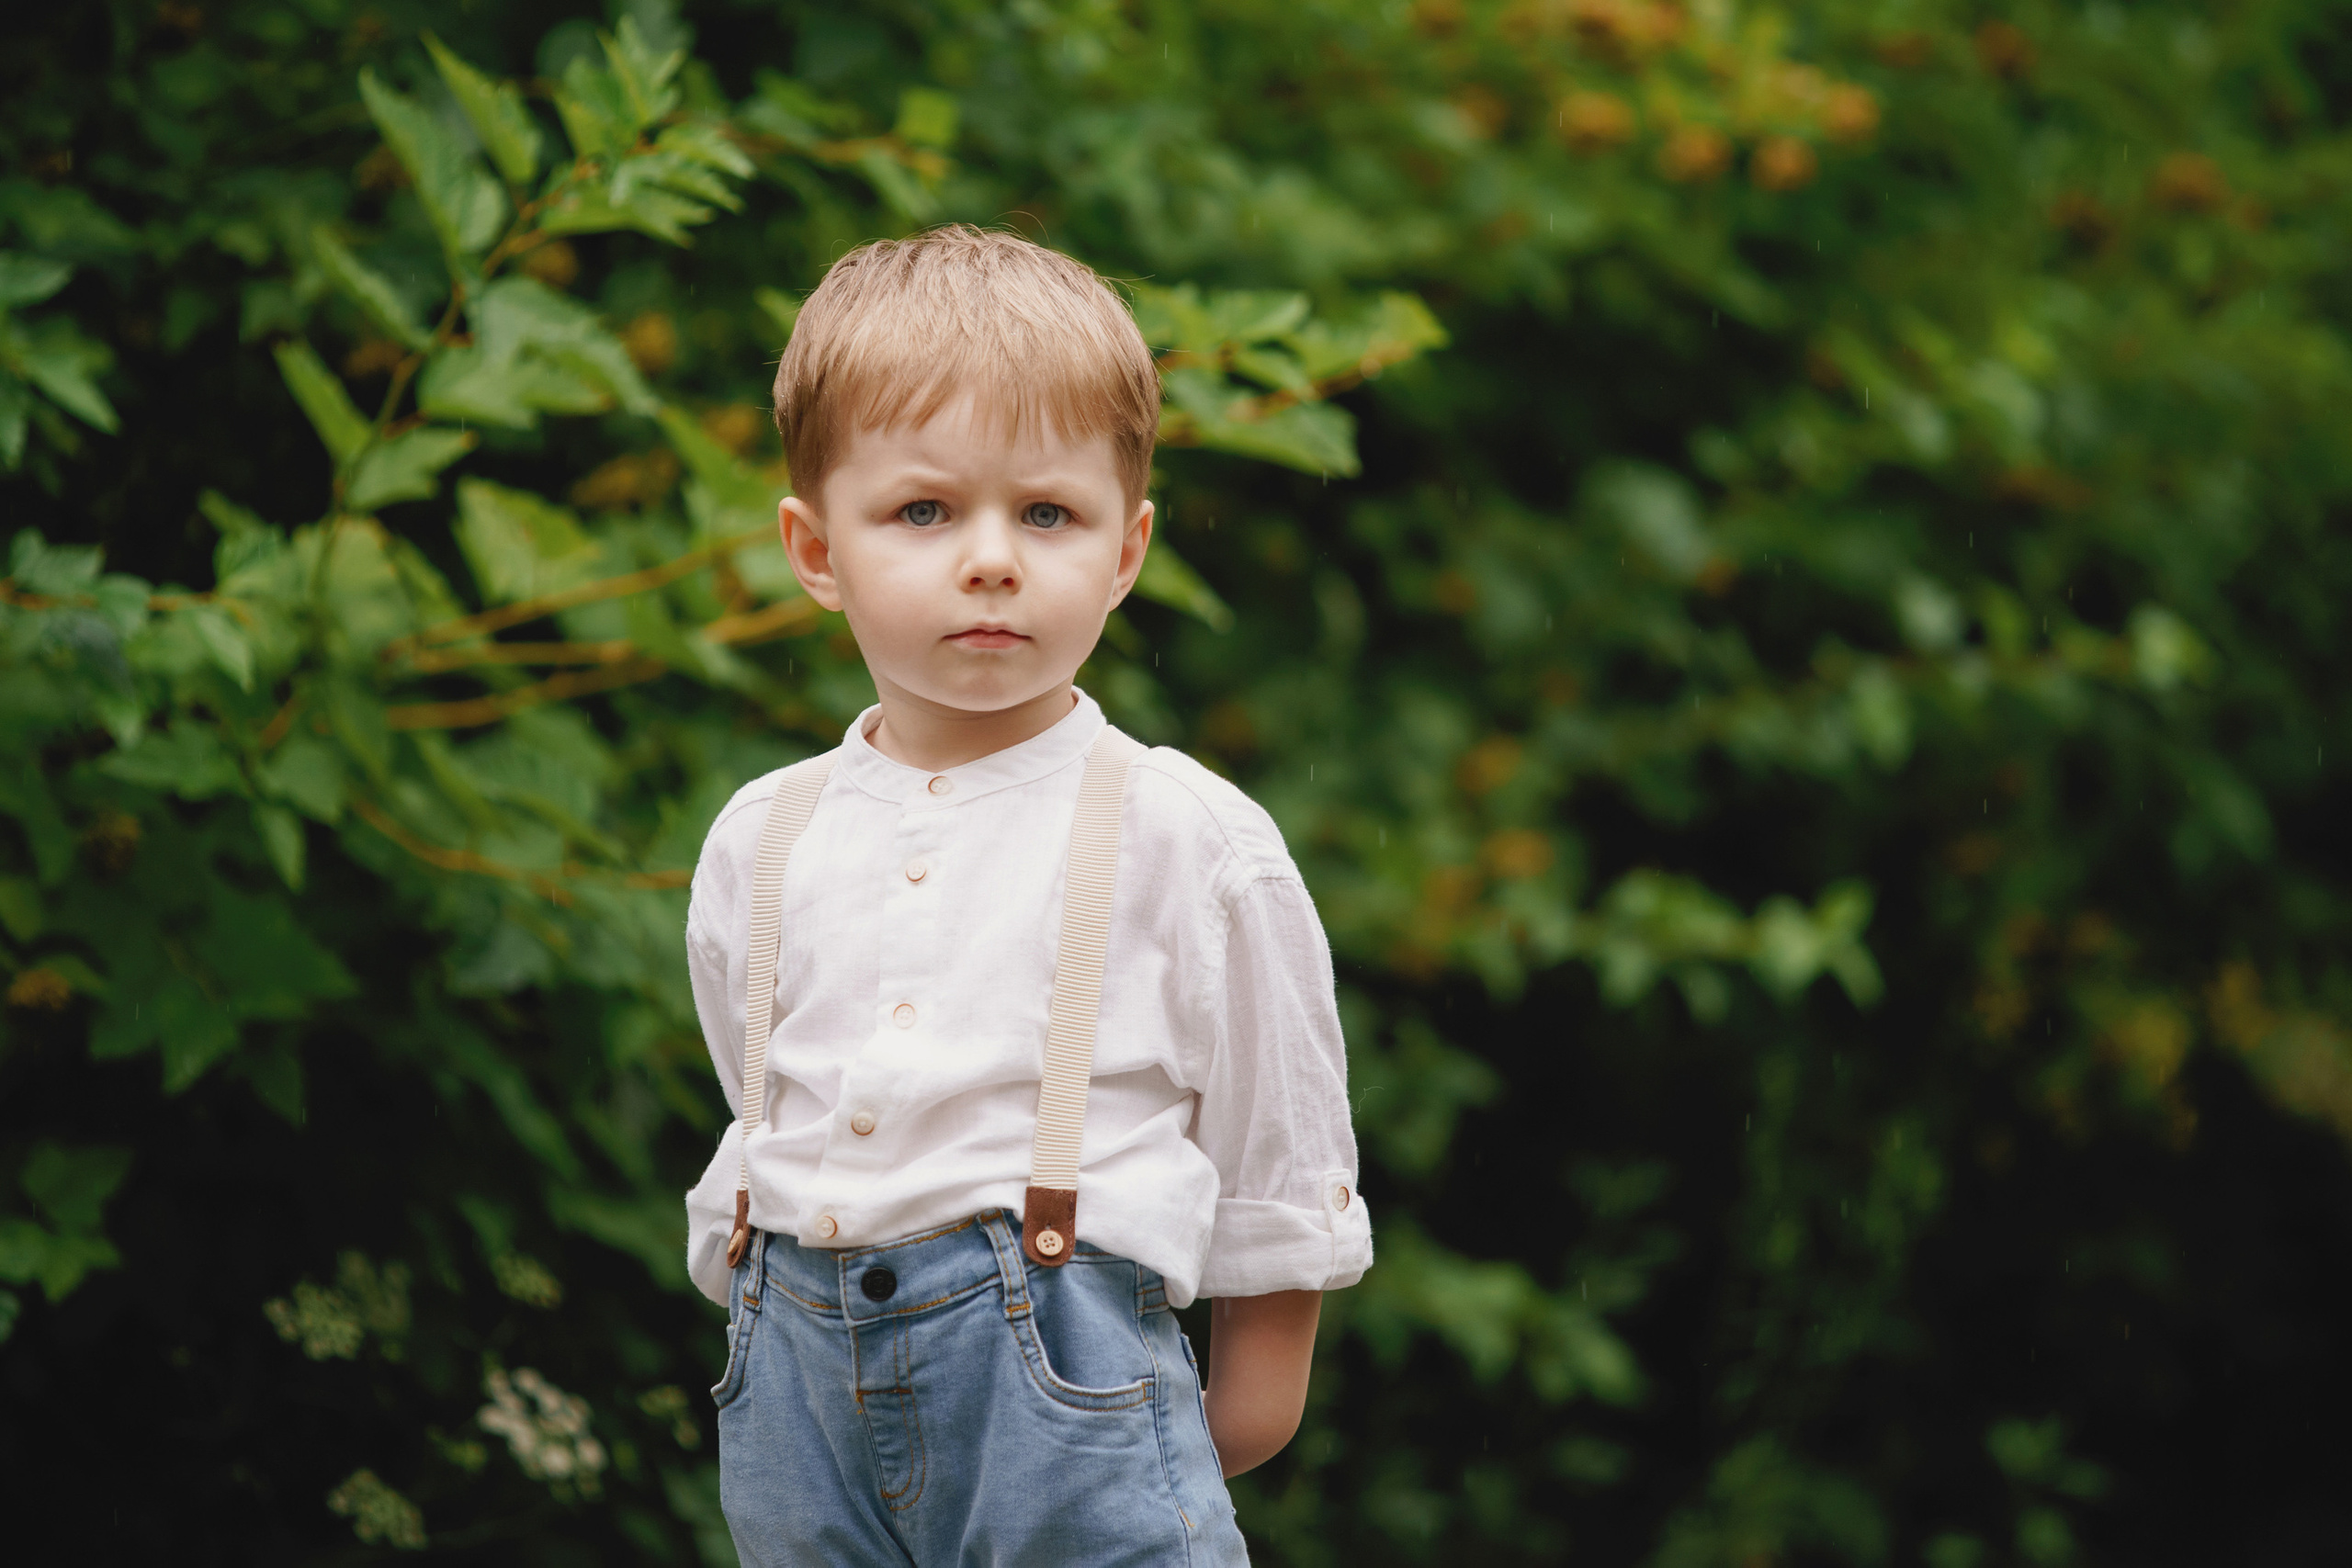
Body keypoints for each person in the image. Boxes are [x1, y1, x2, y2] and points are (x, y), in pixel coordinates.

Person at [682, 225, 1371, 1565]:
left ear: (1126, 551)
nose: (992, 559)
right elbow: (764, 1090)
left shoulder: (1187, 836)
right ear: (816, 551)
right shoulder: (764, 836)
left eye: (1047, 514)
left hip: (1074, 1385)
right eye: (924, 512)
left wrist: (1228, 1411)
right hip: (795, 1401)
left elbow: (1281, 1141)